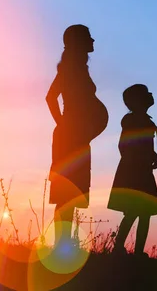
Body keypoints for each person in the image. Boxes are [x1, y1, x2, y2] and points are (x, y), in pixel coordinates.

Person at [46, 24, 108, 249]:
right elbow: (50, 97)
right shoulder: (70, 68)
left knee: (71, 195)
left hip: (78, 137)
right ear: (79, 43)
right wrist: (63, 124)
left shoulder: (78, 68)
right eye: (89, 39)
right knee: (66, 195)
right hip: (69, 138)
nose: (93, 42)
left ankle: (65, 244)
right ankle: (61, 245)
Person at [108, 84, 157, 257]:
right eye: (146, 93)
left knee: (145, 213)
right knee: (134, 212)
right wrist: (137, 164)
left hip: (142, 171)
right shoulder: (132, 121)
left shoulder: (143, 120)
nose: (151, 94)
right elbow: (125, 145)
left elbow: (141, 144)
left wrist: (152, 155)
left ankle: (138, 251)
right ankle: (118, 249)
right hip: (135, 172)